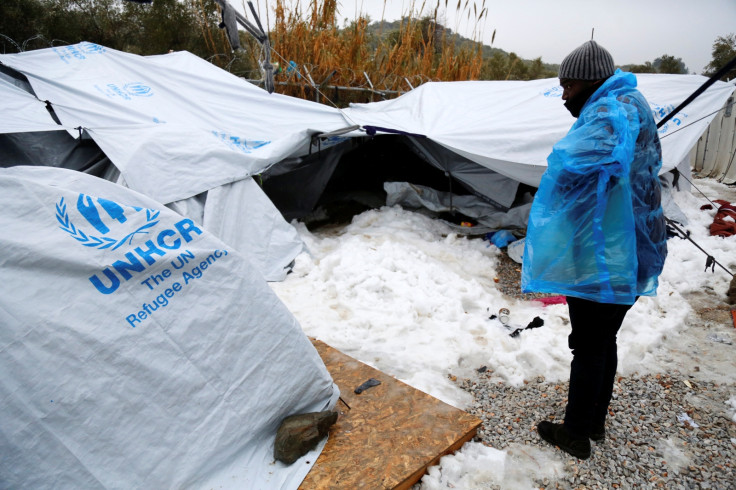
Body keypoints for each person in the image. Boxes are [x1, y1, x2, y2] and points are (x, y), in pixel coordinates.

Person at [521, 40, 668, 459]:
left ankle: (575, 433)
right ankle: (594, 422)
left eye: (568, 85)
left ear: (589, 80)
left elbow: (579, 165)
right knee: (603, 339)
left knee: (588, 343)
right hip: (633, 245)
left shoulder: (609, 112)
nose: (564, 95)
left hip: (607, 251)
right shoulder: (631, 102)